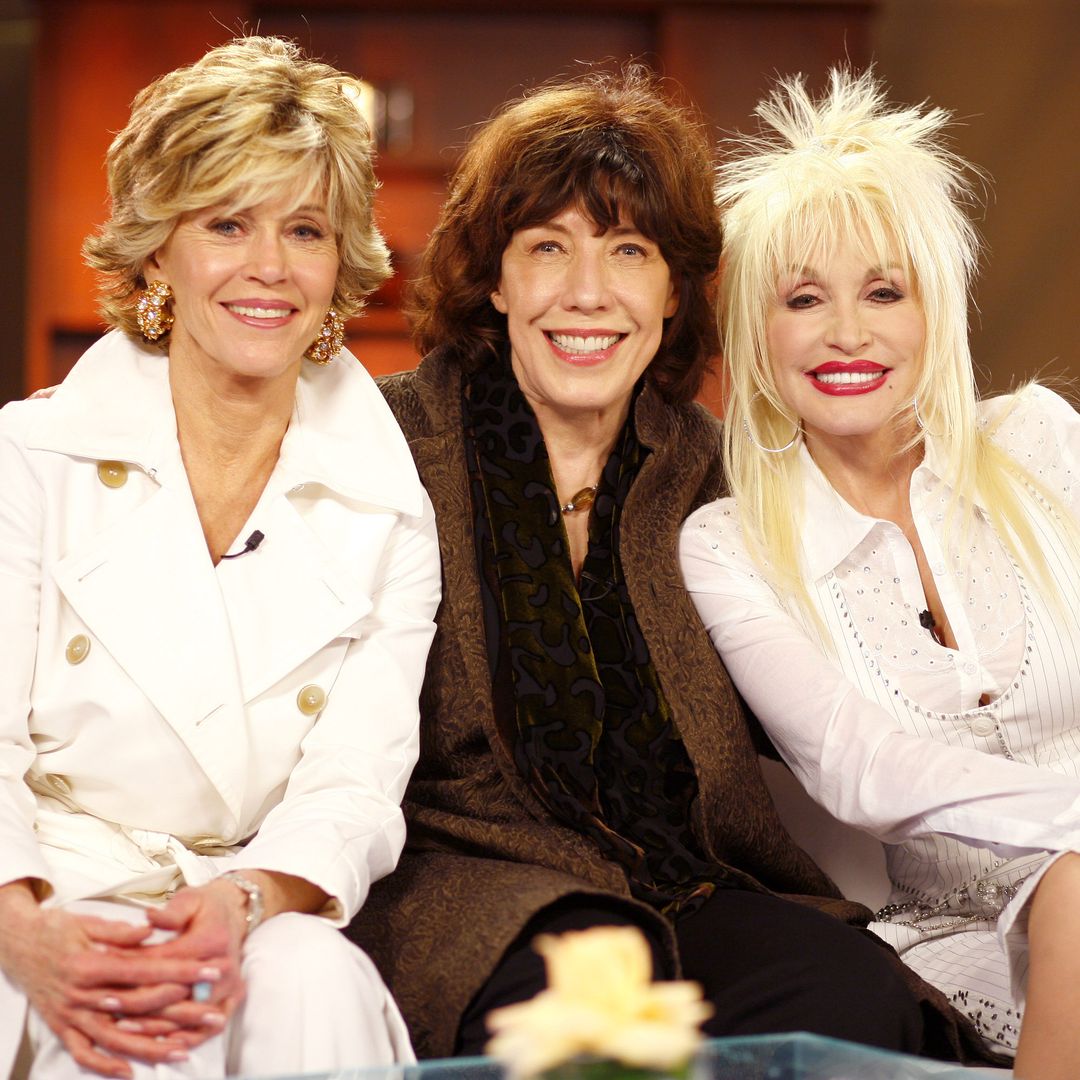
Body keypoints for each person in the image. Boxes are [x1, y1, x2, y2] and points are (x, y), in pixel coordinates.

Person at [345, 67, 996, 1067]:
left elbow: (849, 676)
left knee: (846, 992)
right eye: (547, 248)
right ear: (495, 277)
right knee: (601, 1032)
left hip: (689, 883)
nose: (588, 293)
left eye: (628, 251)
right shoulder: (384, 443)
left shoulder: (724, 470)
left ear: (672, 287)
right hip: (474, 890)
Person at [0, 36, 440, 1080]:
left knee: (314, 983)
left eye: (304, 230)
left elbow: (355, 783)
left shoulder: (391, 505)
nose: (270, 269)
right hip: (39, 888)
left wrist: (246, 898)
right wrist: (27, 932)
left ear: (341, 268)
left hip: (245, 895)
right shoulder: (26, 461)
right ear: (157, 252)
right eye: (226, 224)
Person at [680, 67, 1080, 1079]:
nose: (847, 333)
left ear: (934, 310)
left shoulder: (1039, 440)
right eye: (803, 298)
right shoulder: (728, 544)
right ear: (757, 336)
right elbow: (861, 771)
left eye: (884, 292)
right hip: (948, 943)